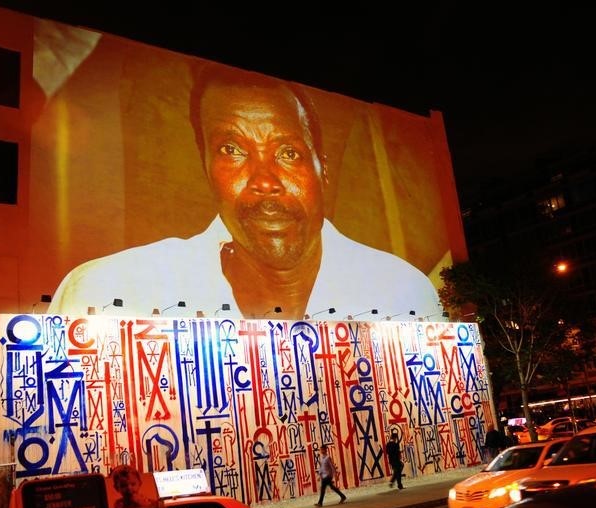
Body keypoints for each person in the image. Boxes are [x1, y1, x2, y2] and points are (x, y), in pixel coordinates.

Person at [48, 64, 442, 321]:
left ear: (322, 168)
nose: (265, 180)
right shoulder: (108, 291)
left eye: (288, 153)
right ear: (204, 164)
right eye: (232, 150)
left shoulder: (401, 292)